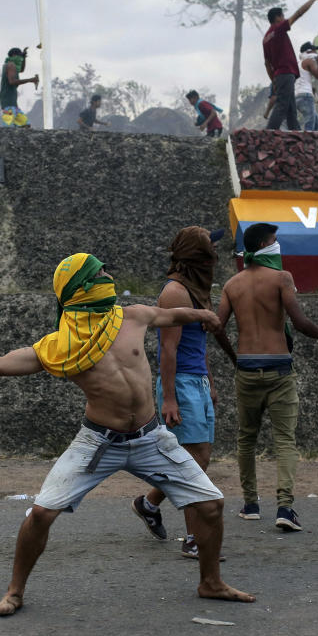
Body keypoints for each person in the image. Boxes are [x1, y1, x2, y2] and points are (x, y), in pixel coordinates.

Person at [0, 253, 254, 616]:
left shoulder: (131, 316)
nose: (109, 275)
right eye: (100, 272)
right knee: (40, 514)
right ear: (80, 287)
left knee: (210, 505)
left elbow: (170, 316)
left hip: (150, 438)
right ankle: (14, 592)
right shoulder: (60, 345)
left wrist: (202, 315)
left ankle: (211, 583)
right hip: (98, 443)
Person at [216, 223, 318, 532]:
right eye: (274, 240)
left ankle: (250, 504)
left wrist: (235, 358)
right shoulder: (281, 279)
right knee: (284, 438)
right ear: (263, 244)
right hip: (279, 368)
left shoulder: (232, 285)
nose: (278, 244)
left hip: (246, 368)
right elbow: (298, 322)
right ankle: (285, 506)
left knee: (247, 437)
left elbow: (217, 327)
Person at [131, 227, 231, 559]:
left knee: (196, 459)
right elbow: (168, 350)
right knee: (194, 460)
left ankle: (148, 504)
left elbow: (198, 346)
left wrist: (211, 384)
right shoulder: (174, 293)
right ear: (197, 256)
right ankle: (193, 539)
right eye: (210, 250)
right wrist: (170, 398)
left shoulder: (195, 290)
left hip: (197, 382)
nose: (215, 256)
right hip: (181, 384)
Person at [263, 0, 318, 131]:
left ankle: (296, 136)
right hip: (286, 73)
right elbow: (298, 13)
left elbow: (267, 64)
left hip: (280, 75)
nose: (284, 18)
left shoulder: (266, 38)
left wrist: (273, 81)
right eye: (282, 16)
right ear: (278, 18)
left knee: (291, 110)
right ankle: (268, 134)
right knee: (282, 105)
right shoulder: (279, 29)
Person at [0, 47, 38, 127]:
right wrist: (31, 80)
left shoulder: (12, 66)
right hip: (8, 101)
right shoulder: (10, 65)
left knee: (25, 125)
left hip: (12, 102)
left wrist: (24, 58)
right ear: (14, 55)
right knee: (8, 126)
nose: (20, 59)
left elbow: (22, 69)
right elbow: (12, 81)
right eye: (19, 57)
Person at [294, 42, 318, 131]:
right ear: (309, 51)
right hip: (305, 96)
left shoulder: (299, 63)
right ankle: (307, 143)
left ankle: (312, 142)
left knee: (316, 121)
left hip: (297, 96)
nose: (316, 52)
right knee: (310, 124)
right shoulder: (309, 61)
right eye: (314, 50)